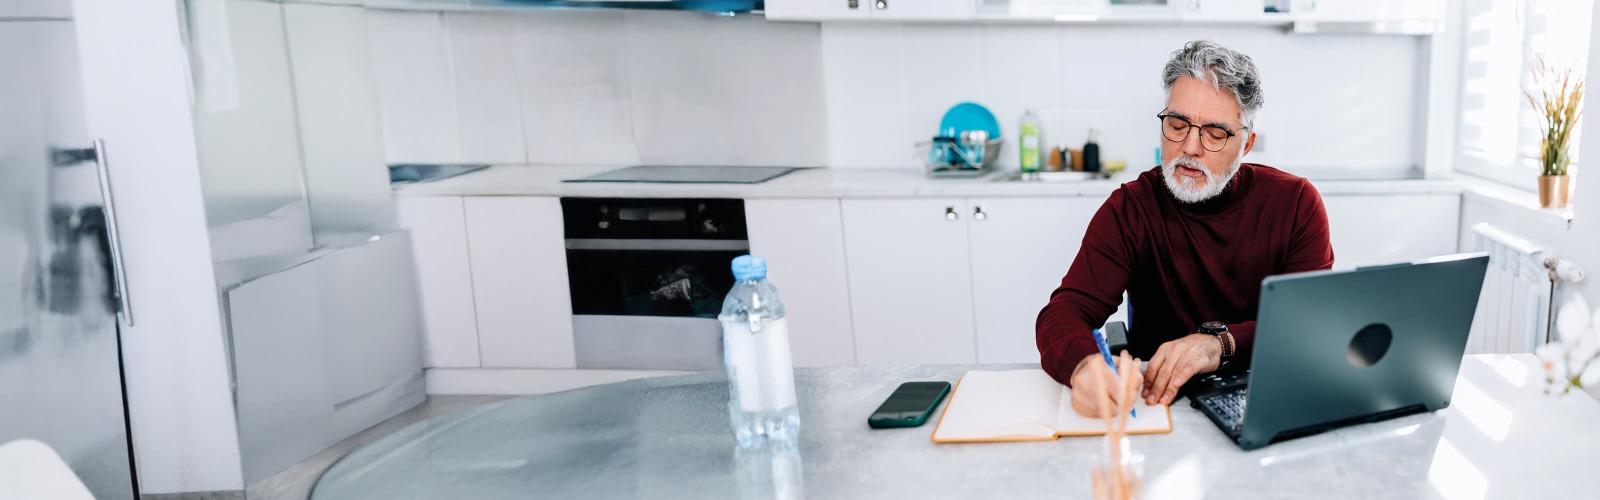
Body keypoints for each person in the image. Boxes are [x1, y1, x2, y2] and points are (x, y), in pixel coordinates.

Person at [1036, 40, 1335, 418]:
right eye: (1177, 125)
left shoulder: (1296, 203)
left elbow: (1307, 327)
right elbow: (1063, 312)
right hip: (1160, 406)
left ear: (1246, 145)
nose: (1189, 147)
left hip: (1266, 394)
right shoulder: (1130, 208)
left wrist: (1219, 345)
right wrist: (1083, 367)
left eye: (1214, 134)